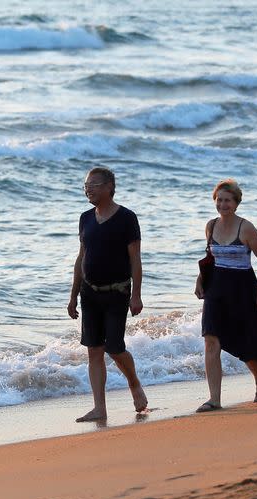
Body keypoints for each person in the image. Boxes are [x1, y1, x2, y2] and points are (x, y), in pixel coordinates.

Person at [194, 179, 257, 412]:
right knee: (211, 339)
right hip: (215, 288)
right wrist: (199, 279)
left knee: (245, 339)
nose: (223, 204)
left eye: (227, 200)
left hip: (243, 288)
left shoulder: (246, 228)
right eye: (219, 200)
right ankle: (214, 399)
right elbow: (209, 256)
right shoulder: (210, 226)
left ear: (236, 203)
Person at [67, 167, 148, 422]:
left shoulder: (127, 218)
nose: (87, 189)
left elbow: (135, 259)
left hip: (117, 292)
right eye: (85, 185)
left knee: (114, 347)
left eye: (93, 184)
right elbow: (81, 257)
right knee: (94, 350)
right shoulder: (85, 218)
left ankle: (134, 383)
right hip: (89, 293)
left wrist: (137, 295)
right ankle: (99, 407)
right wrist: (72, 296)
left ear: (109, 187)